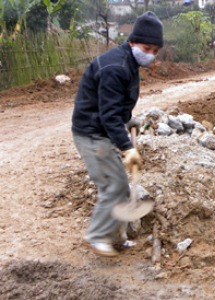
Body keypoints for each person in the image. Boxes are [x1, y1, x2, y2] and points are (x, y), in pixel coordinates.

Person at [71, 11, 164, 257]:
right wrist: (127, 147)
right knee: (113, 185)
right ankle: (96, 235)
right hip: (92, 133)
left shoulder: (129, 62)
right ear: (132, 41)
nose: (151, 55)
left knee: (121, 186)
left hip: (102, 129)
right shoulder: (116, 66)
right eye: (147, 48)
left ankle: (117, 237)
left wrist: (128, 119)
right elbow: (108, 114)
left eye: (156, 51)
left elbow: (116, 106)